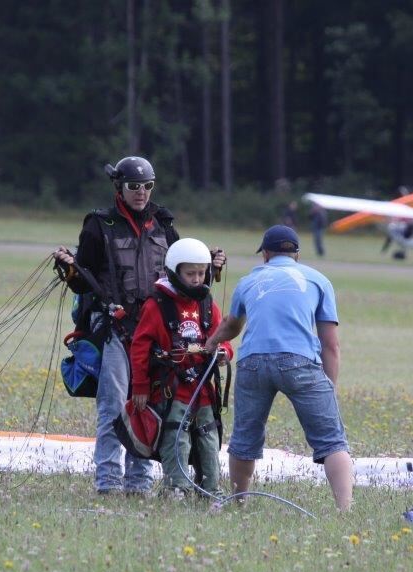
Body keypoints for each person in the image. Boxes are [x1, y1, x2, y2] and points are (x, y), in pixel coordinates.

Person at [53, 156, 226, 495]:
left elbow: (181, 274)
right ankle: (108, 483)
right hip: (116, 330)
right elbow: (81, 282)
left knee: (150, 407)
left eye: (148, 186)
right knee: (113, 407)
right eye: (134, 186)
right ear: (119, 187)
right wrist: (71, 270)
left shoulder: (163, 225)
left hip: (158, 331)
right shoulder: (99, 226)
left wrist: (210, 263)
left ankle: (140, 482)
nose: (142, 193)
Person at [204, 225, 353, 512]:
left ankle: (238, 503)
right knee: (332, 441)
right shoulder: (319, 280)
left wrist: (211, 343)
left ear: (266, 255)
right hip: (299, 361)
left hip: (253, 363)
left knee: (245, 439)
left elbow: (232, 326)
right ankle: (345, 511)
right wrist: (328, 389)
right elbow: (330, 345)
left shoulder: (248, 281)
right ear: (297, 255)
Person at [129, 238, 234, 499]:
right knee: (177, 433)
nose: (197, 279)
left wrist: (224, 353)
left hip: (203, 387)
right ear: (175, 272)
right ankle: (177, 487)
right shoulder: (157, 305)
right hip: (172, 387)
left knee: (209, 435)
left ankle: (210, 488)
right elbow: (139, 347)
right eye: (190, 274)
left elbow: (223, 336)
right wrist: (140, 386)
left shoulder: (207, 304)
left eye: (201, 273)